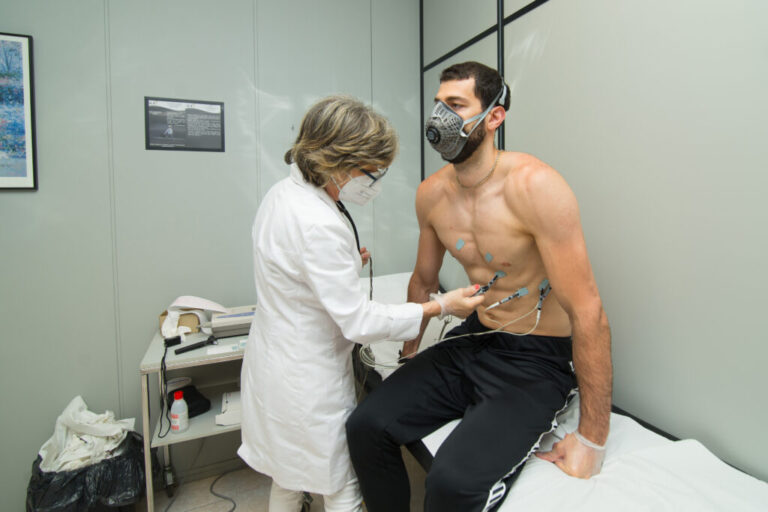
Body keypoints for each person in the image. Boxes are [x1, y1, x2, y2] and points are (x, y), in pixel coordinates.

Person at [346, 61, 612, 512]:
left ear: (493, 116)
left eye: (455, 105)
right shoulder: (431, 194)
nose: (439, 119)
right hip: (473, 339)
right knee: (365, 425)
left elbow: (589, 311)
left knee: (452, 485)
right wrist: (410, 354)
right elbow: (423, 281)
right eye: (437, 105)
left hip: (536, 358)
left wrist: (593, 440)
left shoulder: (537, 188)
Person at [237, 95, 485, 512]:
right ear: (337, 161)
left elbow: (296, 265)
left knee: (288, 478)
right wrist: (439, 307)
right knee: (341, 488)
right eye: (371, 171)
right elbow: (357, 320)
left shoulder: (283, 193)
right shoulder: (317, 223)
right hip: (306, 380)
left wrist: (346, 261)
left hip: (273, 360)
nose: (375, 181)